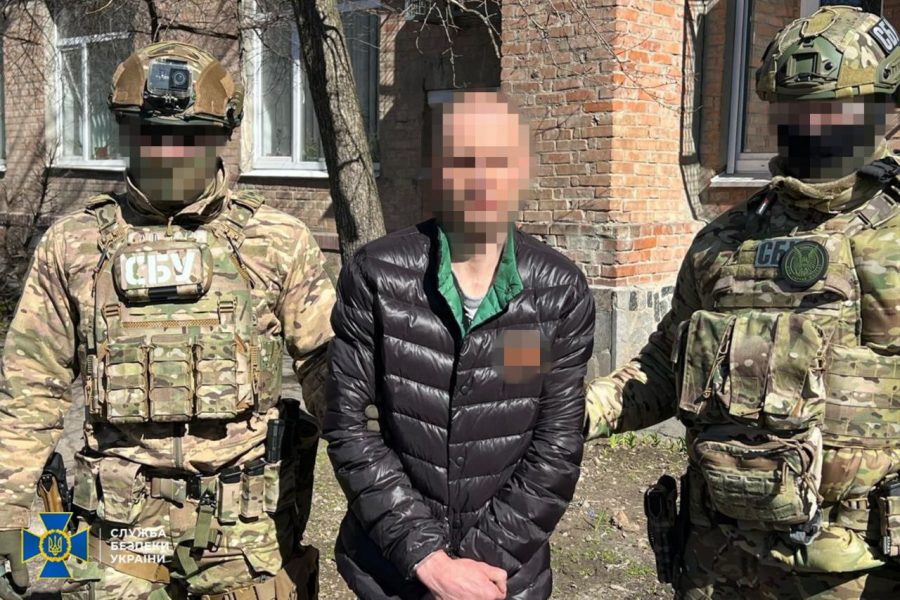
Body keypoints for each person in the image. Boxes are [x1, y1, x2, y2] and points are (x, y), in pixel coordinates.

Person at [585, 3, 900, 598]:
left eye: (829, 110)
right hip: (718, 566)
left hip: (854, 575)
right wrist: (570, 412)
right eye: (790, 110)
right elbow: (663, 367)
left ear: (880, 108)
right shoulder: (726, 241)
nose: (807, 128)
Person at [0, 41, 335, 600]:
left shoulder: (277, 241)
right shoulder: (74, 245)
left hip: (246, 532)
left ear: (222, 135)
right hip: (117, 531)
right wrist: (7, 507)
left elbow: (330, 373)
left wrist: (376, 493)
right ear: (126, 133)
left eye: (191, 137)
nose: (170, 152)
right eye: (151, 134)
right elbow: (29, 385)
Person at [324, 90, 595, 600]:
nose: (482, 180)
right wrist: (429, 561)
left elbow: (556, 444)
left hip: (504, 577)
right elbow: (350, 427)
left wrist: (480, 566)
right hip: (391, 571)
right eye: (464, 161)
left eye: (499, 161)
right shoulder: (377, 276)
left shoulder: (558, 291)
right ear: (437, 171)